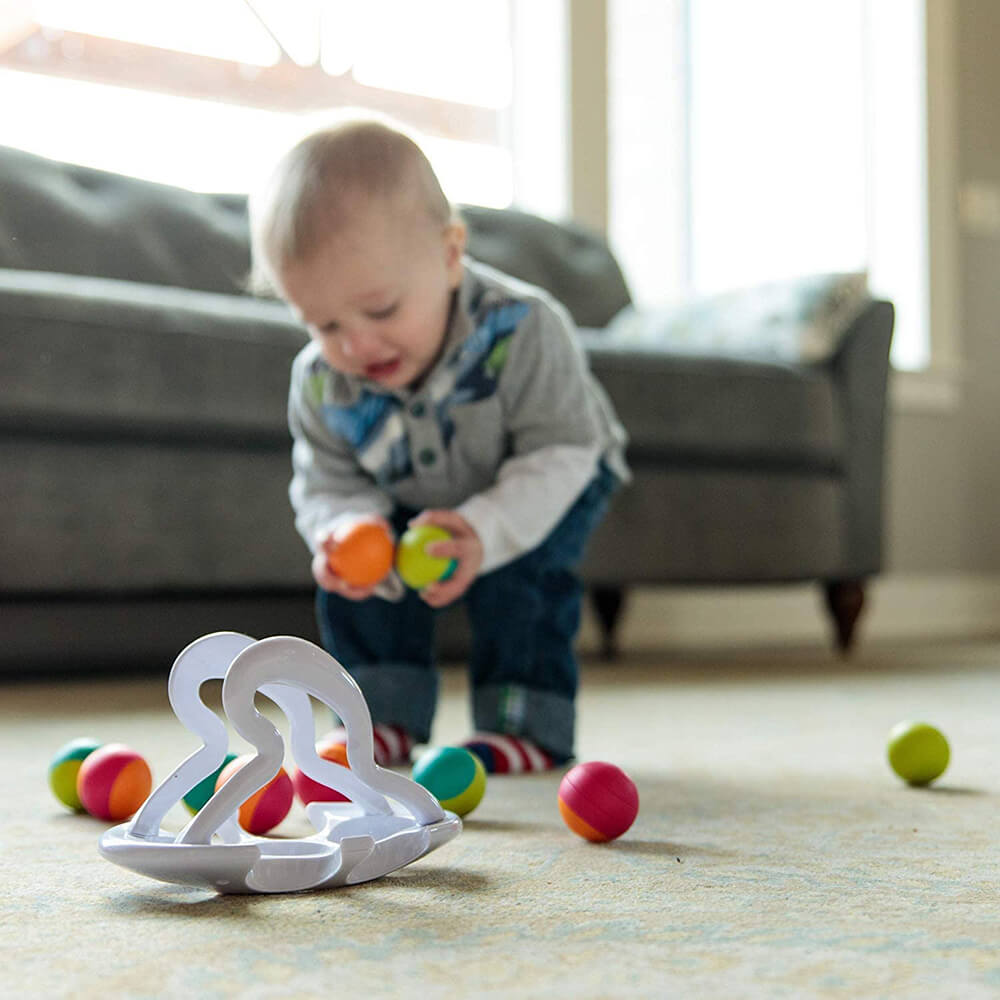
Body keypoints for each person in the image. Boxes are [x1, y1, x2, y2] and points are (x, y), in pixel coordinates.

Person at [249, 119, 628, 773]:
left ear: (451, 255)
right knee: (360, 579)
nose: (356, 345)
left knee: (522, 575)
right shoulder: (320, 381)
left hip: (549, 468)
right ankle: (378, 717)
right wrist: (346, 527)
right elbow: (327, 480)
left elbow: (562, 449)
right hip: (405, 484)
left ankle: (524, 720)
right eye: (324, 324)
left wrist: (487, 529)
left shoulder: (525, 329)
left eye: (381, 310)